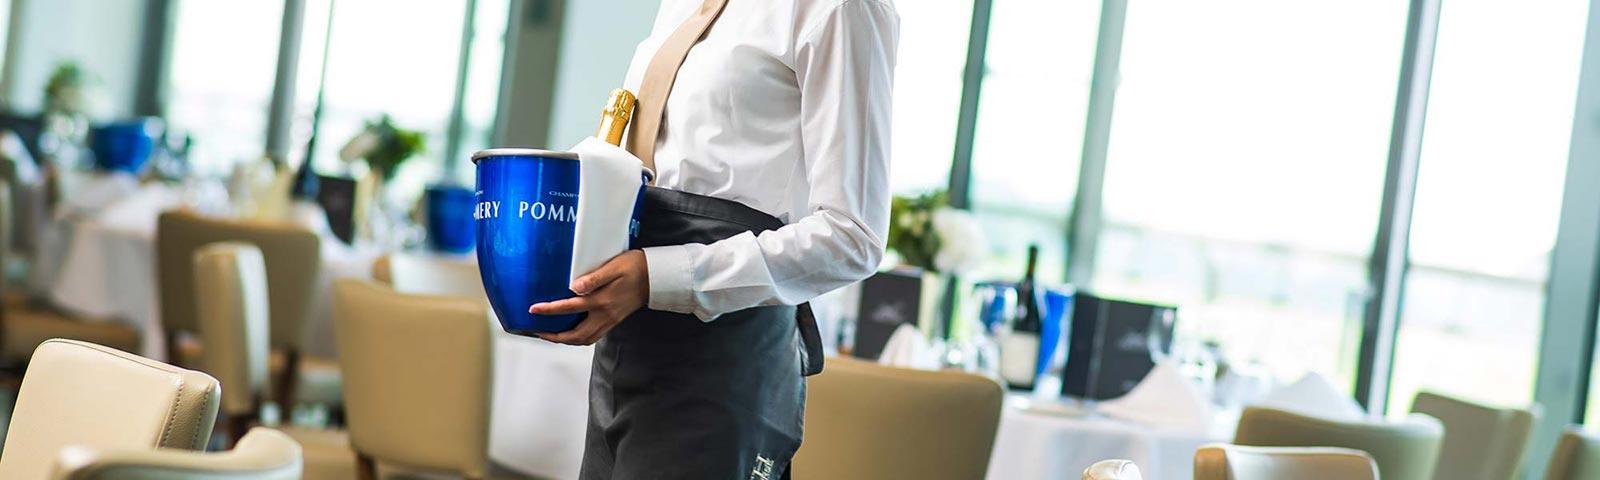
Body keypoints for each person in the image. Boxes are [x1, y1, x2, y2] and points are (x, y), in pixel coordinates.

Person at [527, 0, 899, 478]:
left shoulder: (841, 7)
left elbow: (854, 236)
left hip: (724, 356)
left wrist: (656, 277)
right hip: (630, 341)